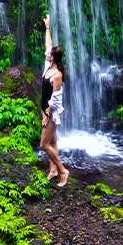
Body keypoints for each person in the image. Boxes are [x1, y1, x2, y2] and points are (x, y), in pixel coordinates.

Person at [39, 14, 68, 186]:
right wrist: (47, 27)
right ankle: (53, 170)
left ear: (53, 58)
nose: (47, 53)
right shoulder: (48, 66)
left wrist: (46, 115)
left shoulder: (57, 75)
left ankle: (63, 171)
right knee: (53, 141)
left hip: (51, 112)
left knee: (43, 144)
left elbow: (56, 100)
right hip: (45, 109)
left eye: (49, 54)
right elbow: (48, 44)